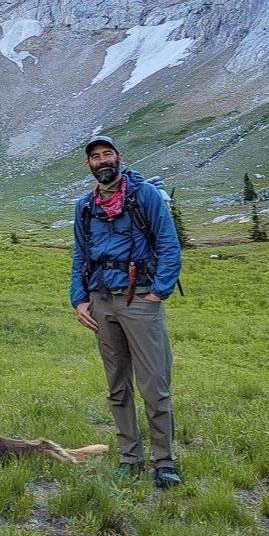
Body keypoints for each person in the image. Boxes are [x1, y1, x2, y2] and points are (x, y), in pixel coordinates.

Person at [70, 134, 183, 488]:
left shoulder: (144, 196)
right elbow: (79, 255)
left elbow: (168, 243)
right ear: (88, 165)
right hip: (102, 301)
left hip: (141, 298)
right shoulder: (85, 206)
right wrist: (79, 299)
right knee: (117, 386)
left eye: (107, 155)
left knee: (154, 385)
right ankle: (130, 457)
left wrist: (158, 293)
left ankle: (164, 461)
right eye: (95, 157)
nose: (102, 161)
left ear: (120, 157)